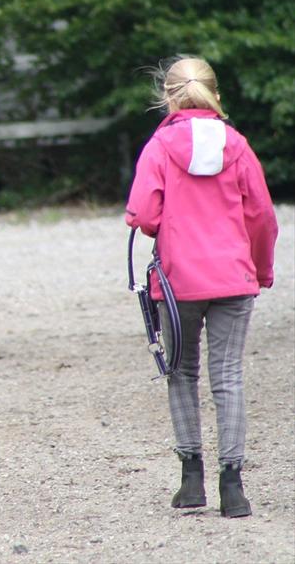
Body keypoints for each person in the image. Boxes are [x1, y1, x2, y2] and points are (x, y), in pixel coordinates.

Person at [125, 56, 278, 518]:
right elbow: (263, 217)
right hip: (233, 277)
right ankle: (233, 488)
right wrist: (259, 270)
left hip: (179, 282)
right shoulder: (238, 145)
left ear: (169, 96)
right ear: (215, 93)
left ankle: (191, 481)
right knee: (228, 378)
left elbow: (145, 216)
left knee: (182, 373)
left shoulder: (159, 146)